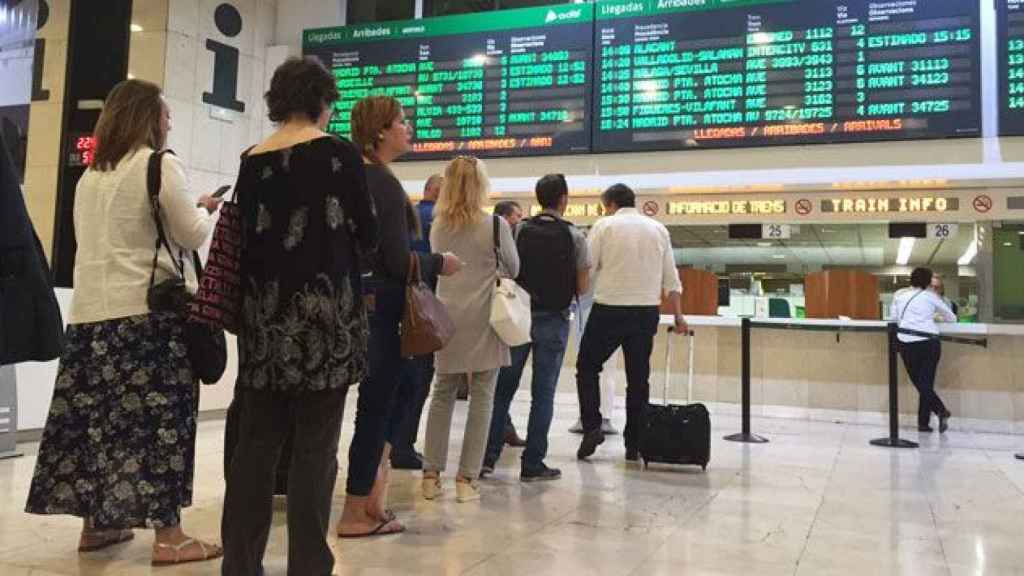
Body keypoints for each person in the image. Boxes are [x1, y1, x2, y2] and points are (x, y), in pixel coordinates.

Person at [25, 79, 223, 565]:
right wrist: (205, 208)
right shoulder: (159, 164)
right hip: (147, 322)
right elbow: (191, 233)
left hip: (91, 323)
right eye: (165, 114)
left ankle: (97, 526)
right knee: (160, 427)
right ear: (146, 118)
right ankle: (170, 536)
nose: (170, 122)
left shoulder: (90, 177)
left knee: (97, 427)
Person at [219, 57, 378, 575]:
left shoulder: (251, 159)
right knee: (315, 449)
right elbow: (369, 238)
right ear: (322, 100)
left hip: (263, 324)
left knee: (254, 450)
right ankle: (309, 566)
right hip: (326, 323)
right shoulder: (339, 155)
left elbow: (242, 240)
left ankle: (241, 565)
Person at [337, 96, 461, 537]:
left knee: (372, 408)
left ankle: (369, 500)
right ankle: (356, 511)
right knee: (377, 409)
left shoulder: (353, 177)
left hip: (356, 304)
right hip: (384, 310)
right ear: (379, 132)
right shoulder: (383, 185)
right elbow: (392, 259)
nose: (409, 128)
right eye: (401, 122)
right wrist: (437, 263)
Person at [422, 156, 520, 502]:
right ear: (481, 185)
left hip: (446, 318)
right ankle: (466, 479)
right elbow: (514, 267)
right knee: (482, 397)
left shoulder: (438, 227)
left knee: (442, 393)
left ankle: (431, 475)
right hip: (484, 318)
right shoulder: (495, 225)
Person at [483, 174, 590, 481]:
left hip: (518, 319)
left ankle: (487, 458)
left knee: (502, 390)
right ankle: (532, 464)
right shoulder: (575, 236)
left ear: (539, 198)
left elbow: (507, 270)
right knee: (543, 394)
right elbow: (582, 287)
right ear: (564, 199)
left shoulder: (520, 230)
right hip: (554, 320)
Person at [576, 183, 687, 462]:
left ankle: (592, 426)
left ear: (611, 204)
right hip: (646, 311)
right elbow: (671, 279)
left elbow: (587, 265)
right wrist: (678, 316)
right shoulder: (658, 229)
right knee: (639, 379)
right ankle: (634, 444)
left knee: (587, 367)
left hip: (609, 309)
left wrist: (577, 291)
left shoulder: (604, 226)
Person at [389, 174, 444, 471]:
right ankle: (402, 446)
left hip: (396, 307)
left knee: (399, 380)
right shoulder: (437, 220)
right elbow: (433, 266)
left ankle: (391, 443)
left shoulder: (407, 213)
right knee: (419, 379)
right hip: (424, 310)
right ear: (437, 191)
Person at [892, 267, 956, 433]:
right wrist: (933, 318)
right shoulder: (931, 297)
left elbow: (894, 319)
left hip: (906, 343)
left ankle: (925, 422)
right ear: (928, 282)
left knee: (920, 384)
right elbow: (952, 318)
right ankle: (939, 412)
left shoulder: (900, 297)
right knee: (926, 383)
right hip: (929, 343)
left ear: (911, 280)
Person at [485, 200, 528, 448]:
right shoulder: (499, 235)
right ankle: (497, 431)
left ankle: (504, 427)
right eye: (516, 216)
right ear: (502, 216)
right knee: (498, 376)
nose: (518, 220)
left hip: (492, 308)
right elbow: (513, 269)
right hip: (499, 308)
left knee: (500, 375)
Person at [569, 288, 621, 436]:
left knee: (588, 371)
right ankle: (603, 417)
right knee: (605, 370)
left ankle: (595, 418)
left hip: (593, 310)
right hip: (606, 311)